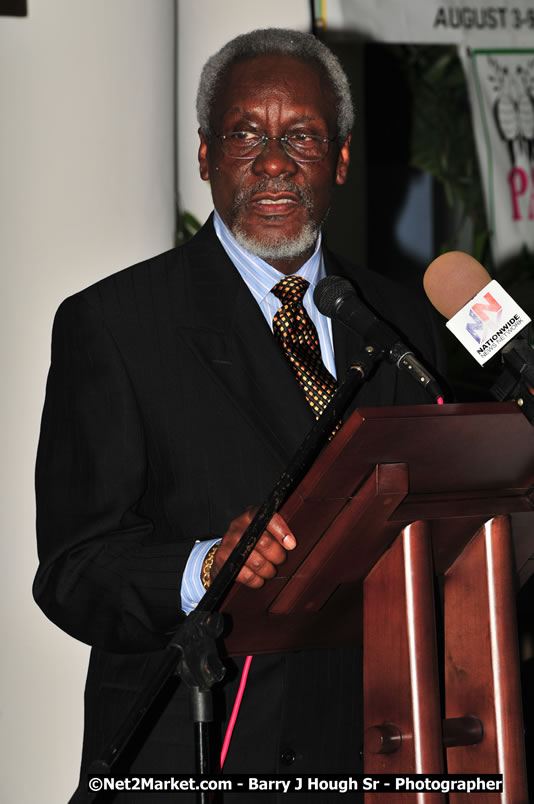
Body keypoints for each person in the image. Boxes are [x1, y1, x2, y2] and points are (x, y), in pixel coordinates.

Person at [34, 28, 444, 802]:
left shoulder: (401, 322)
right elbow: (72, 571)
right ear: (205, 155)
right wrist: (203, 569)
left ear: (341, 160)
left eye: (302, 136)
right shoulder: (118, 325)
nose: (274, 161)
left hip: (366, 755)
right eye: (245, 134)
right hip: (195, 755)